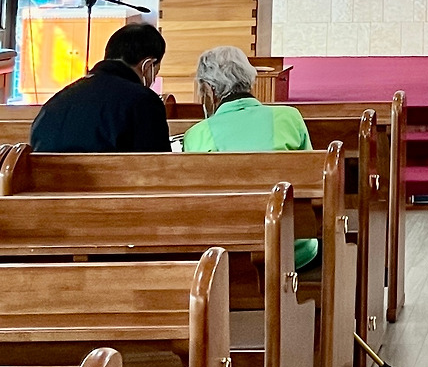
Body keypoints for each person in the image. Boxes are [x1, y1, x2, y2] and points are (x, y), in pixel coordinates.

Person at [184, 46, 318, 268]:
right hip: (291, 247)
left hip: (227, 253)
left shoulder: (197, 134)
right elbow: (312, 181)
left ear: (209, 90)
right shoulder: (289, 118)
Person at [30, 20, 172, 151]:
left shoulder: (56, 102)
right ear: (147, 65)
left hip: (45, 172)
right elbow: (158, 164)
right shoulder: (143, 101)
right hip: (112, 172)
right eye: (155, 72)